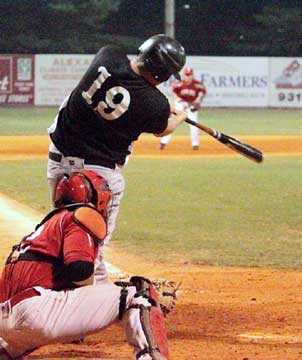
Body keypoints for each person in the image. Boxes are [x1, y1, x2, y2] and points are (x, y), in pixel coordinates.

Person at [46, 34, 187, 282]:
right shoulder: (155, 105)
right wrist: (179, 115)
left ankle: (57, 288)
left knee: (65, 232)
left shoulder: (108, 56)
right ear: (162, 74)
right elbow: (163, 127)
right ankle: (92, 304)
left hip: (58, 164)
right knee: (92, 247)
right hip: (98, 177)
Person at [0, 170, 171, 359]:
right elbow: (79, 272)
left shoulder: (43, 229)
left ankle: (6, 351)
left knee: (36, 320)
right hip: (37, 313)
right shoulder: (81, 215)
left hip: (6, 321)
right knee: (139, 292)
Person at [159, 67, 207, 150]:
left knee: (194, 125)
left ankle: (195, 145)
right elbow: (175, 94)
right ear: (184, 75)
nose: (188, 77)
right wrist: (178, 103)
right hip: (180, 105)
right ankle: (163, 142)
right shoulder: (179, 83)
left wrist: (198, 102)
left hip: (191, 106)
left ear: (192, 75)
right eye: (187, 75)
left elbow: (203, 93)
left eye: (190, 75)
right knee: (173, 123)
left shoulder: (197, 84)